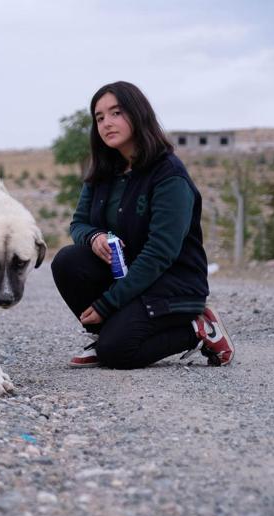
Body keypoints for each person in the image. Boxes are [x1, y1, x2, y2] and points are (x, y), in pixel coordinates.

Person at [50, 81, 235, 369]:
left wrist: (106, 305)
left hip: (171, 284)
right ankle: (110, 335)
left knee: (118, 353)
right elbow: (78, 224)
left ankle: (197, 329)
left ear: (137, 114)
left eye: (116, 113)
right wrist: (94, 236)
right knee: (67, 261)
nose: (106, 123)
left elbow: (160, 253)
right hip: (128, 277)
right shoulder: (102, 172)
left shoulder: (168, 175)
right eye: (99, 118)